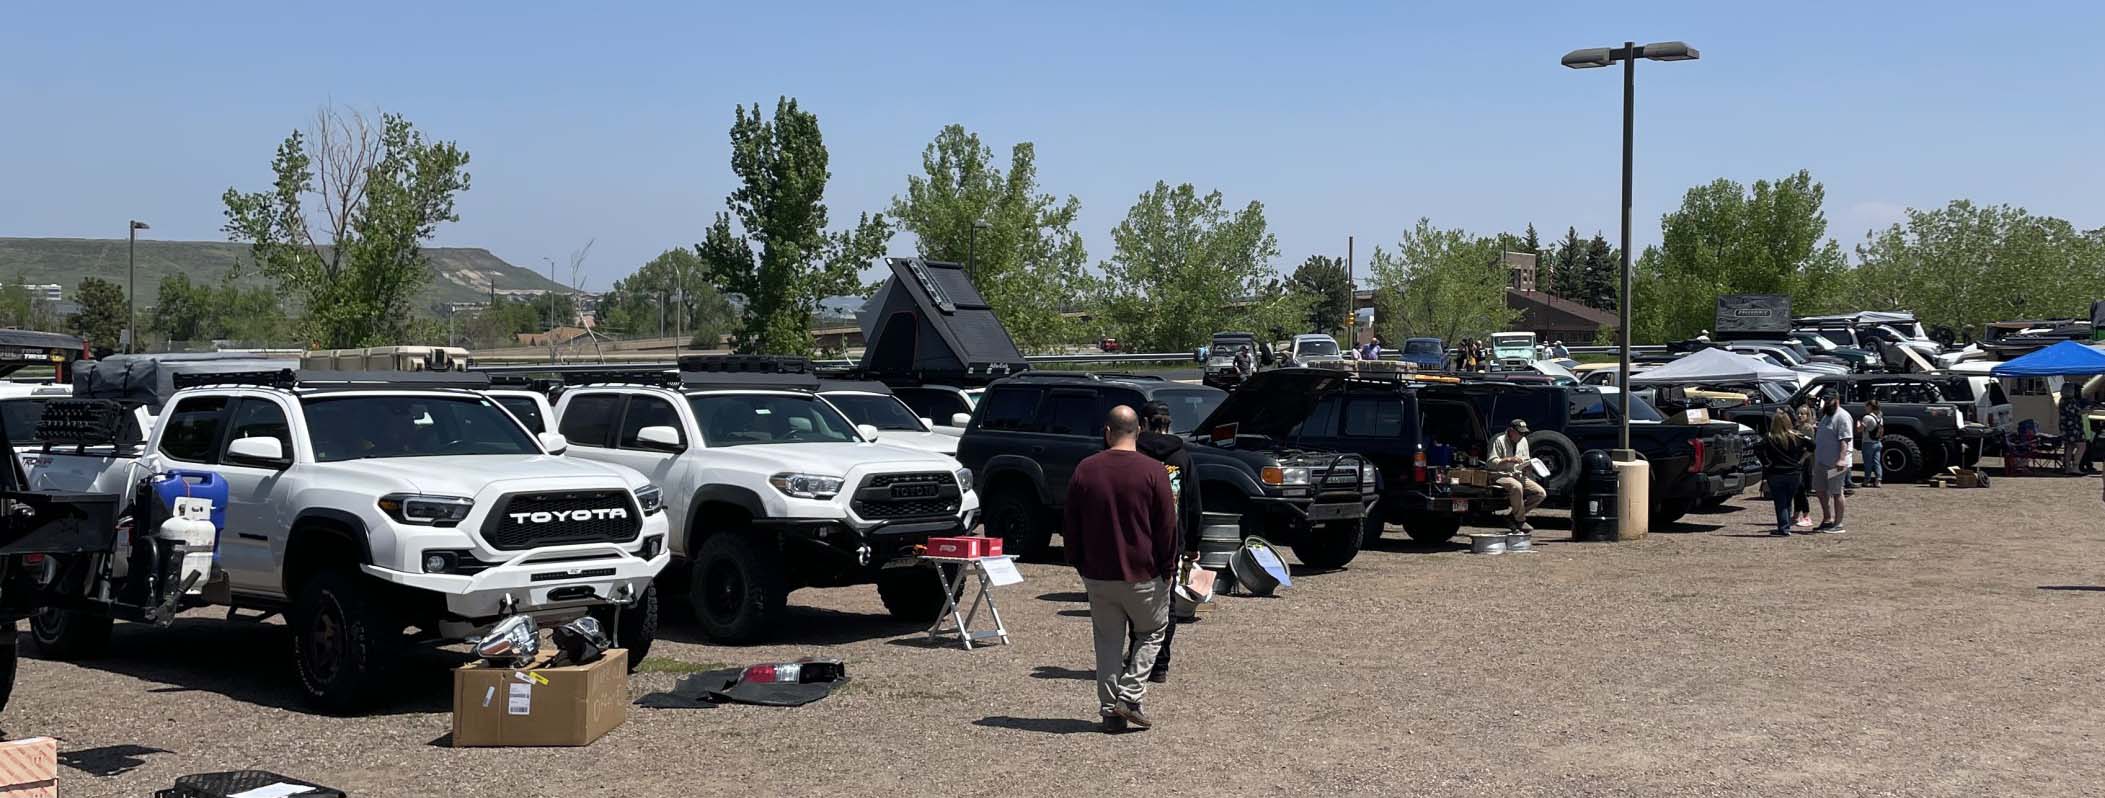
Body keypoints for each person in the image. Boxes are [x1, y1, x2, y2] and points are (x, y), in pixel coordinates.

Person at [1062, 405, 1177, 733]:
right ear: (1139, 430)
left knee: (1108, 642)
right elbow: (1167, 527)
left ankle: (1110, 712)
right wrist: (1168, 567)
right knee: (1153, 631)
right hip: (1144, 572)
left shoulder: (1086, 469)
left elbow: (1070, 523)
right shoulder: (1154, 471)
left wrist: (1078, 562)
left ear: (1107, 432)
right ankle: (1129, 696)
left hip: (1098, 574)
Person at [1133, 401, 1202, 684]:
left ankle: (1136, 657)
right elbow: (1194, 504)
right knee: (1167, 602)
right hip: (1172, 537)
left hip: (1138, 535)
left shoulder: (1134, 454)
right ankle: (1160, 664)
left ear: (1144, 424)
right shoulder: (1182, 457)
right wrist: (1193, 544)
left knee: (1135, 600)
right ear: (1169, 423)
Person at [1487, 419, 1546, 532]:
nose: (1522, 435)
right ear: (1511, 431)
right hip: (1500, 474)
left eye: (1524, 433)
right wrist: (1508, 459)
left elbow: (1526, 459)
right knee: (1516, 486)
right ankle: (1520, 520)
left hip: (1517, 474)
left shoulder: (1523, 441)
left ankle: (1512, 517)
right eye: (1520, 433)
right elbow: (1491, 463)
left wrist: (1528, 466)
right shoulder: (1499, 441)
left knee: (1540, 493)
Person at [1759, 409, 1810, 536]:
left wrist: (1766, 462)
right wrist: (1802, 459)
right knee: (1787, 501)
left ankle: (1784, 528)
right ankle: (1785, 526)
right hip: (1794, 473)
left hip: (1776, 473)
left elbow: (1757, 448)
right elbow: (1813, 445)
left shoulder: (1769, 437)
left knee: (1780, 502)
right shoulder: (1797, 436)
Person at [1813, 392, 1854, 534]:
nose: (1825, 403)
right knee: (1820, 490)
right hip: (1821, 460)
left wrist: (1842, 458)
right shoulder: (1826, 415)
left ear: (1836, 400)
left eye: (1828, 400)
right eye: (1824, 400)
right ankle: (1827, 519)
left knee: (1837, 492)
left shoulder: (1842, 416)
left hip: (1836, 463)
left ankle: (1838, 523)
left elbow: (1845, 439)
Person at [1792, 403, 1817, 529]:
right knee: (1796, 489)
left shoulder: (1808, 428)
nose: (1800, 415)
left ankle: (1806, 515)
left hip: (1804, 460)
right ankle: (1796, 514)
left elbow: (1811, 447)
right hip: (1797, 459)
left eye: (1803, 413)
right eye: (1798, 413)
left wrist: (1802, 459)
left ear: (1808, 416)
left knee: (1801, 489)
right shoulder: (1796, 427)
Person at [2061, 383, 2089, 476]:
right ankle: (2076, 467)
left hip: (2065, 426)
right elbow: (2077, 412)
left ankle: (2067, 468)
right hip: (2074, 427)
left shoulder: (2062, 401)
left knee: (2070, 446)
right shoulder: (2071, 401)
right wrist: (2087, 410)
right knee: (2082, 445)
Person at [1857, 399, 1885, 488]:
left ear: (1870, 407)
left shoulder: (1867, 418)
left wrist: (1858, 424)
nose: (1865, 408)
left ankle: (1867, 480)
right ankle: (1878, 480)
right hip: (1878, 443)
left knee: (1868, 463)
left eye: (1866, 406)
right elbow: (1881, 430)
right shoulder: (1880, 418)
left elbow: (1860, 429)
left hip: (1868, 443)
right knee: (1877, 462)